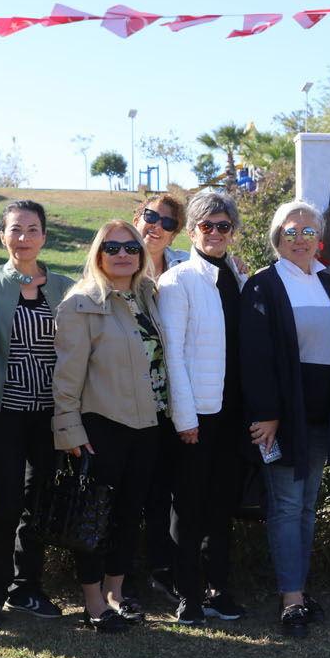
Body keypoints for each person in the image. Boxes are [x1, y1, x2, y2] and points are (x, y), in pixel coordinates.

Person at [239, 200, 330, 636]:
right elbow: (255, 356)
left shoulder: (327, 281)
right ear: (277, 237)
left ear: (319, 238)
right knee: (287, 506)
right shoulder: (263, 284)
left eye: (309, 231)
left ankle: (300, 590)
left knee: (306, 507)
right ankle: (290, 601)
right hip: (284, 416)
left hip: (323, 413)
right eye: (292, 231)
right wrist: (267, 415)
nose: (301, 238)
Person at [52, 220, 167, 632]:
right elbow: (66, 379)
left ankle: (117, 593)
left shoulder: (148, 298)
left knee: (127, 514)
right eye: (112, 247)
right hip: (101, 427)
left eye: (131, 247)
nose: (123, 254)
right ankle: (93, 602)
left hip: (148, 426)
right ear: (98, 254)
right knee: (94, 516)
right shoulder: (79, 304)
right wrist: (69, 432)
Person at [0, 201, 75, 626]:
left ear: (44, 236)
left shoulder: (66, 286)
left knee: (40, 501)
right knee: (7, 502)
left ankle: (27, 588)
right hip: (4, 413)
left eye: (32, 229)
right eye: (16, 229)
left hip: (51, 414)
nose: (24, 237)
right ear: (3, 236)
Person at [158, 190, 250, 626]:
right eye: (207, 226)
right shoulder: (177, 281)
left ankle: (218, 589)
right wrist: (185, 417)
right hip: (197, 416)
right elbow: (172, 355)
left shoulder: (236, 276)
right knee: (189, 508)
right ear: (192, 231)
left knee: (220, 507)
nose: (215, 233)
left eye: (223, 226)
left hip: (233, 413)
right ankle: (187, 595)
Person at [135, 192, 187, 603]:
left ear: (176, 233)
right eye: (150, 216)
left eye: (167, 222)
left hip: (175, 399)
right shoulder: (115, 259)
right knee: (133, 490)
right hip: (126, 399)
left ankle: (164, 569)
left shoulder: (186, 266)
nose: (156, 225)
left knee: (168, 491)